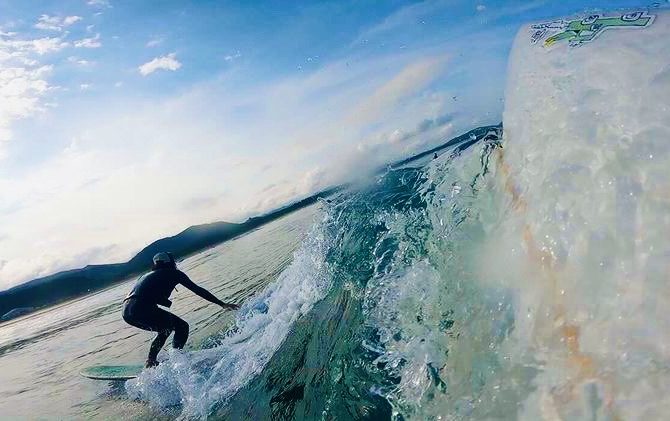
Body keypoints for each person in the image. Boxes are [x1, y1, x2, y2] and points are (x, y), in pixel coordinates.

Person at [122, 251, 239, 367]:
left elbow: (143, 295)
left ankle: (155, 360)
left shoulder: (146, 276)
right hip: (142, 307)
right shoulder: (174, 273)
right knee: (178, 326)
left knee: (167, 327)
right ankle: (168, 360)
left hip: (127, 313)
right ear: (170, 262)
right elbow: (197, 290)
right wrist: (222, 304)